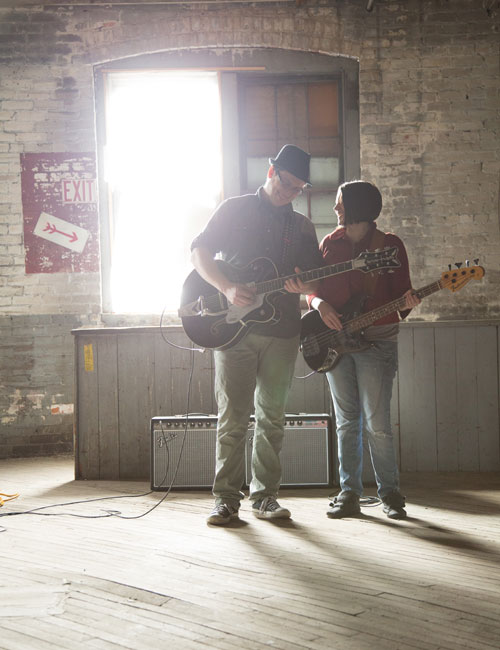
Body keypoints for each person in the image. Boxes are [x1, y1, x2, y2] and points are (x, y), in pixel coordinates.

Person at [190, 145, 323, 525]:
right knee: (232, 415)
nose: (291, 192)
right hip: (233, 330)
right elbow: (198, 251)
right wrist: (227, 288)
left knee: (272, 418)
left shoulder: (301, 226)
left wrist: (303, 285)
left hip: (283, 332)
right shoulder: (234, 208)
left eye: (299, 188)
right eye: (287, 182)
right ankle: (226, 498)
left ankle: (265, 497)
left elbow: (313, 278)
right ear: (271, 171)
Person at [306, 180, 420, 520]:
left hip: (377, 341)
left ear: (356, 208)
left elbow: (404, 299)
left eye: (340, 203)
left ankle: (390, 493)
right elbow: (311, 291)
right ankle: (349, 493)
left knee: (377, 423)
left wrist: (411, 301)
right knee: (346, 422)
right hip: (336, 343)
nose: (336, 209)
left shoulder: (390, 245)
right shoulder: (329, 244)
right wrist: (319, 303)